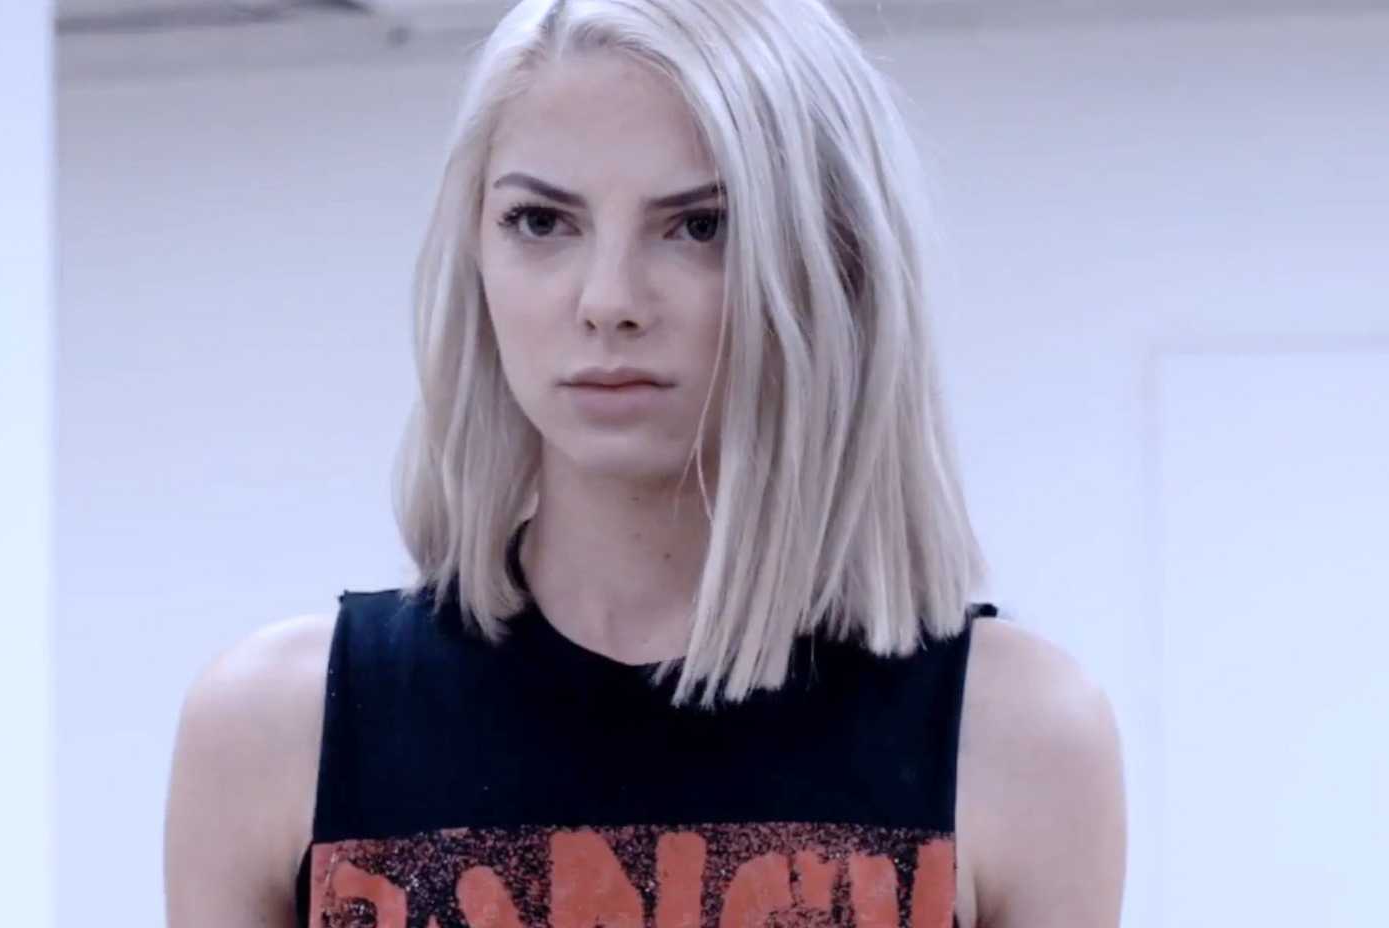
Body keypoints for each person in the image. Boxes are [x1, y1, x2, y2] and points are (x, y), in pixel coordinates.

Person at [163, 1, 1126, 926]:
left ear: (835, 259)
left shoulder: (1016, 739)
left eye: (700, 225)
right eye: (542, 222)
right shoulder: (278, 731)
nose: (608, 299)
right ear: (475, 254)